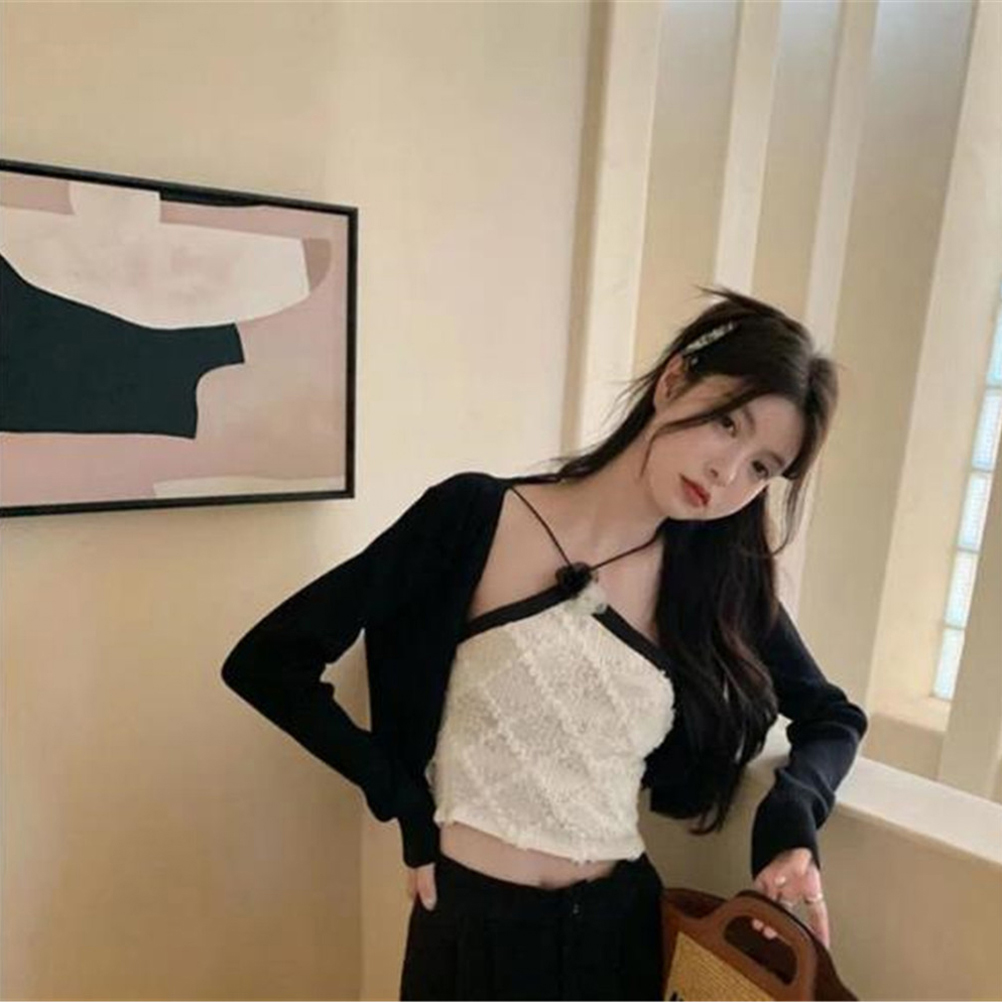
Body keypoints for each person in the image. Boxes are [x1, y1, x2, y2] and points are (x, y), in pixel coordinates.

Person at [221, 287, 868, 1001]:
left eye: (762, 468)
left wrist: (790, 827)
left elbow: (832, 717)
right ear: (673, 380)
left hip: (614, 942)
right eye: (726, 423)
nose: (727, 474)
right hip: (467, 932)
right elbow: (268, 663)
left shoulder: (716, 582)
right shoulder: (476, 517)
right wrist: (400, 798)